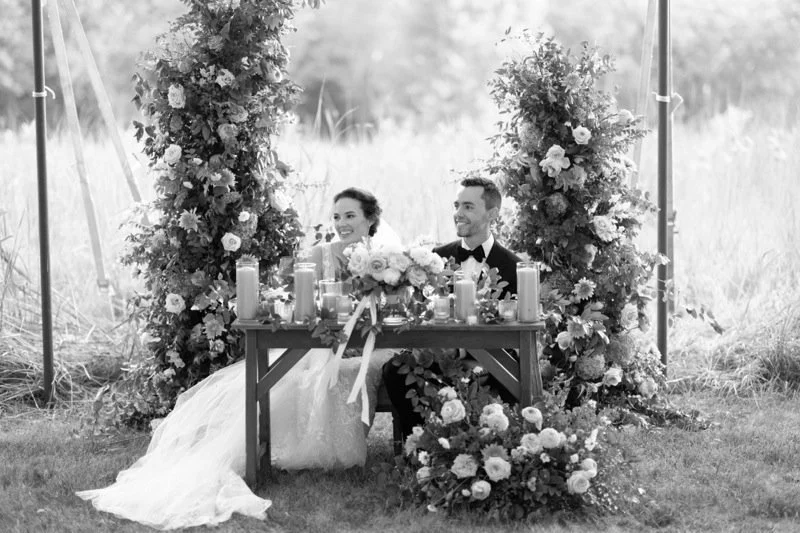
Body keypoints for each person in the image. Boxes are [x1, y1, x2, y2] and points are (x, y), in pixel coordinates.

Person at [76, 187, 396, 530]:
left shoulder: (387, 259)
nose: (342, 223)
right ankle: (251, 453)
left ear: (370, 218)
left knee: (379, 364)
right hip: (318, 344)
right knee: (296, 376)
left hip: (371, 344)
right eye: (336, 216)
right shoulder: (318, 256)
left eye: (350, 216)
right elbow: (300, 304)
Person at [382, 176, 521, 441]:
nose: (458, 213)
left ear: (492, 214)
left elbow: (513, 329)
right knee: (396, 368)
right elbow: (420, 313)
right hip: (438, 355)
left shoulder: (514, 267)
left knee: (503, 377)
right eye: (457, 205)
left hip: (490, 360)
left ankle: (480, 442)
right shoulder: (435, 258)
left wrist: (463, 349)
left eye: (468, 207)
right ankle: (421, 447)